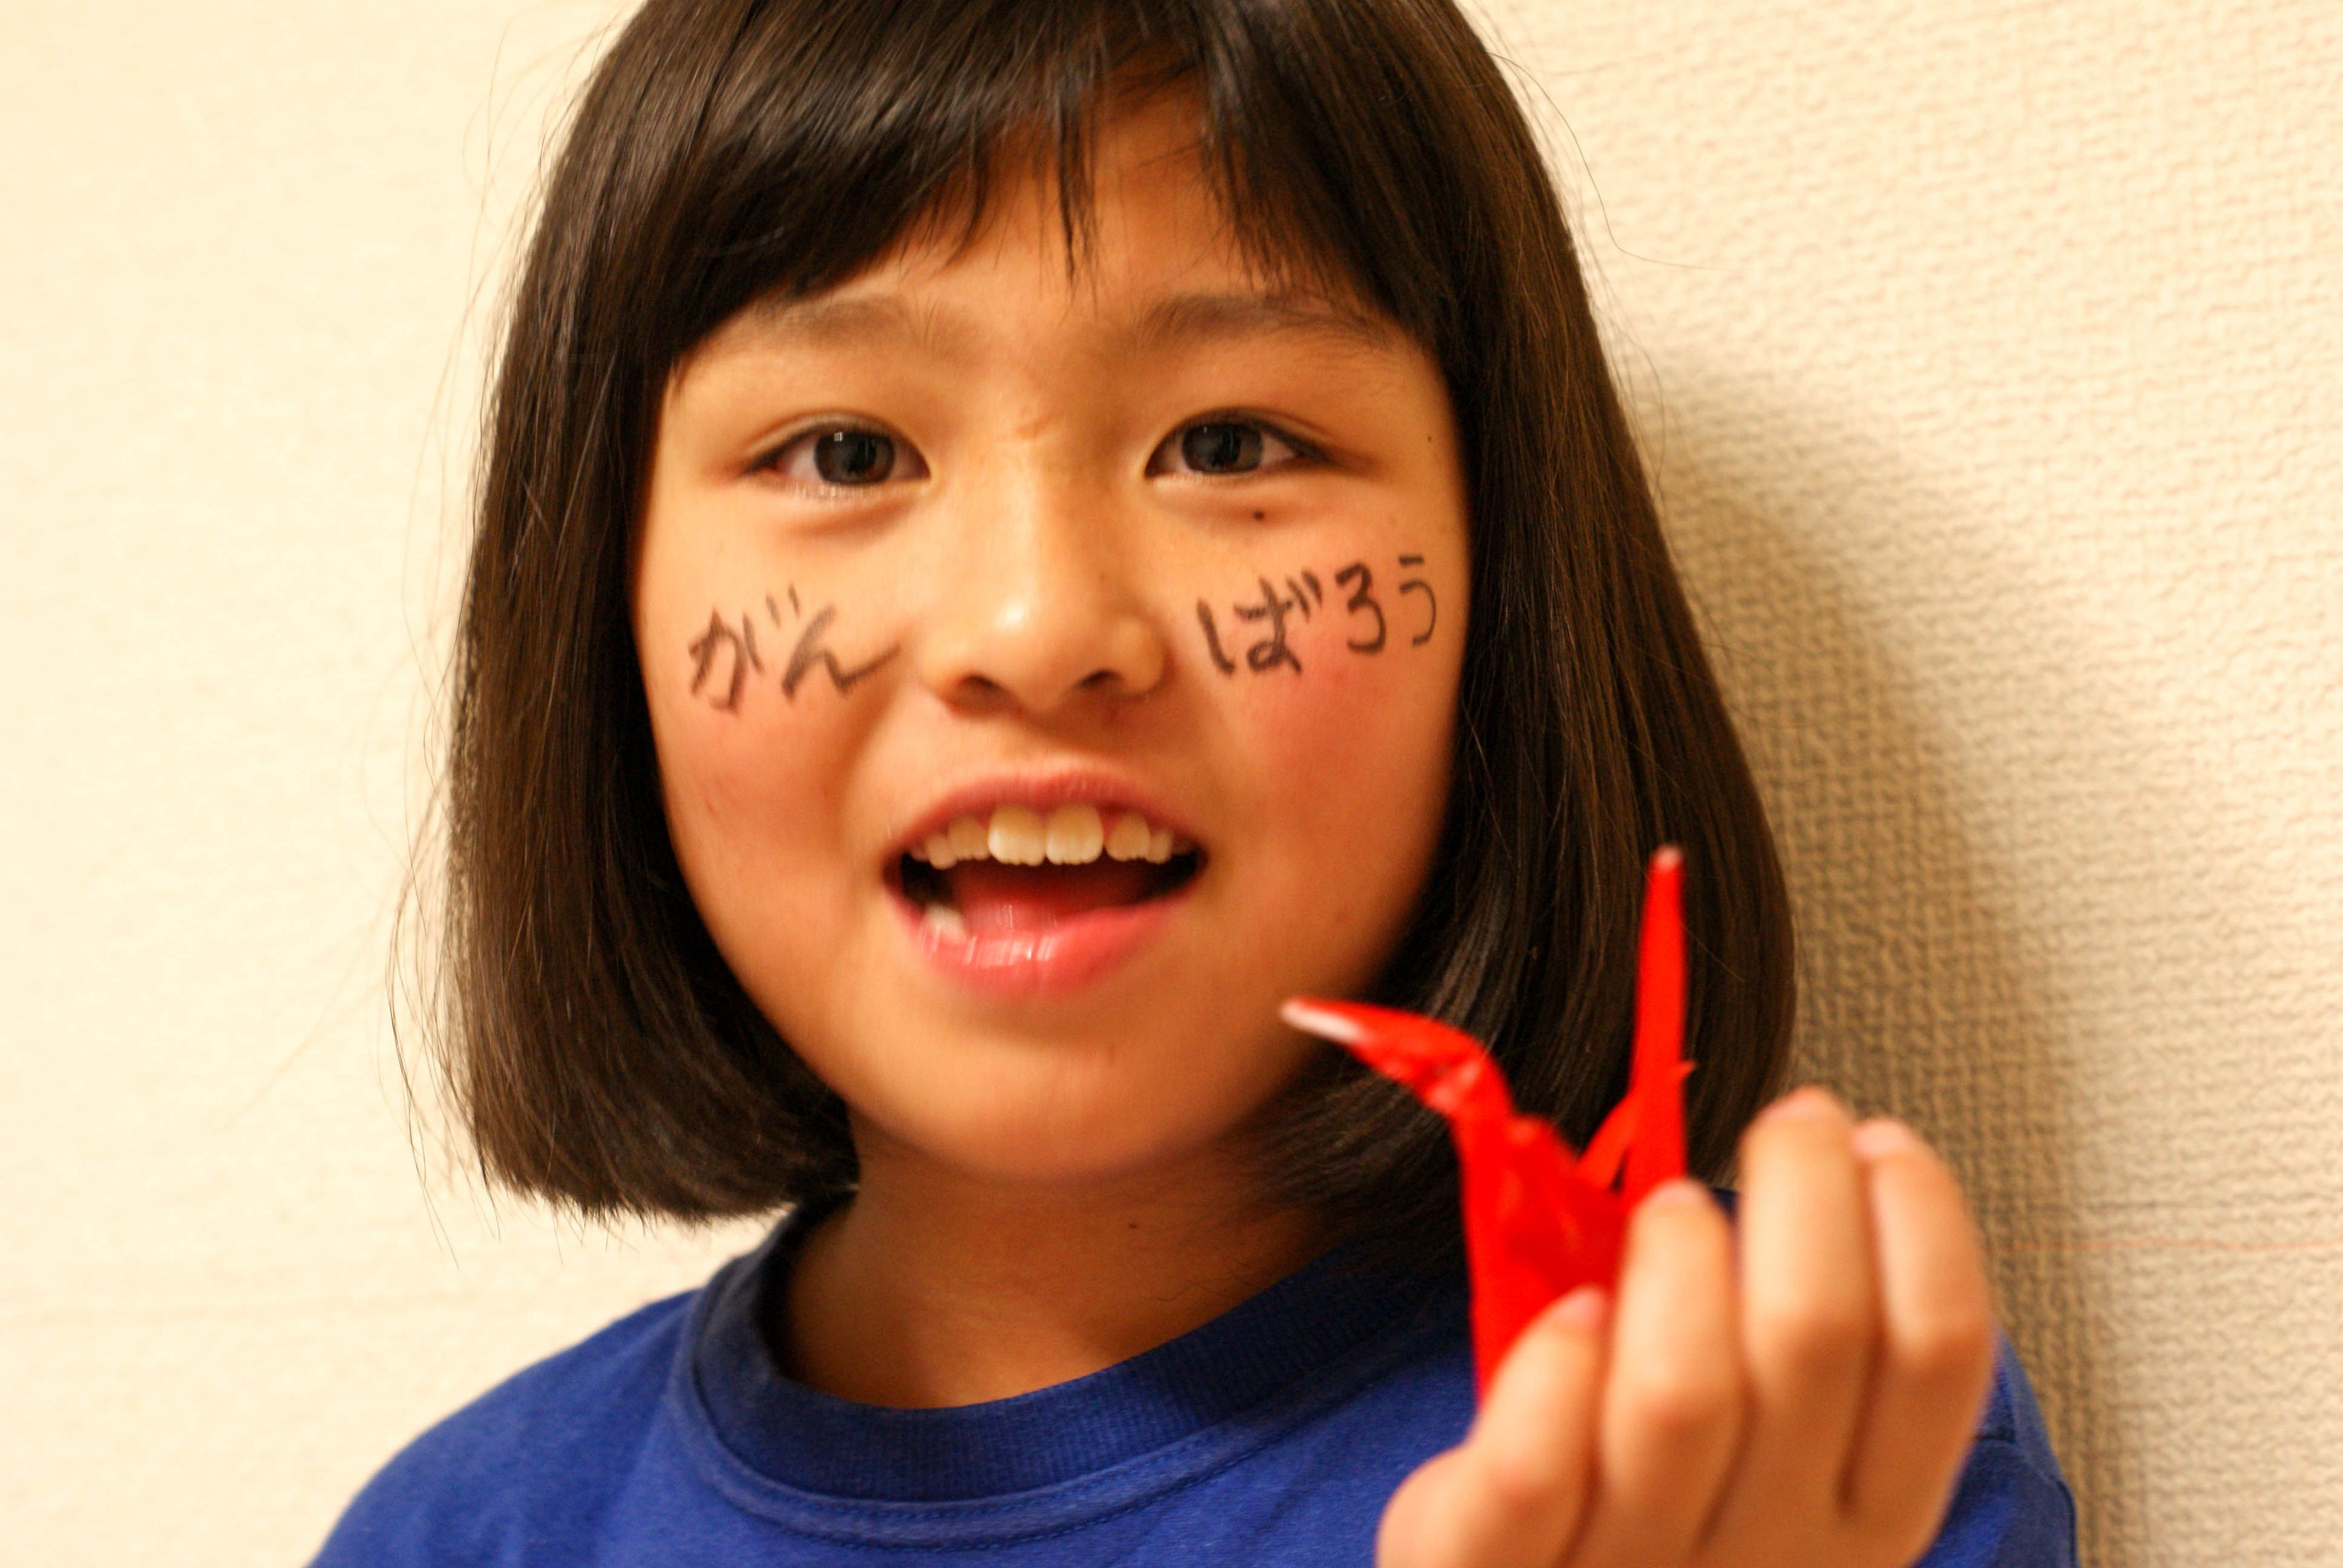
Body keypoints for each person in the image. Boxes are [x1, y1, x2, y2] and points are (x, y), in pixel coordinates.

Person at [314, 0, 2077, 1562]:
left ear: (1506, 587)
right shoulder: (459, 1536)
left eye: (1228, 444)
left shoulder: (1759, 1440)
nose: (1035, 627)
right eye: (844, 451)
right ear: (597, 607)